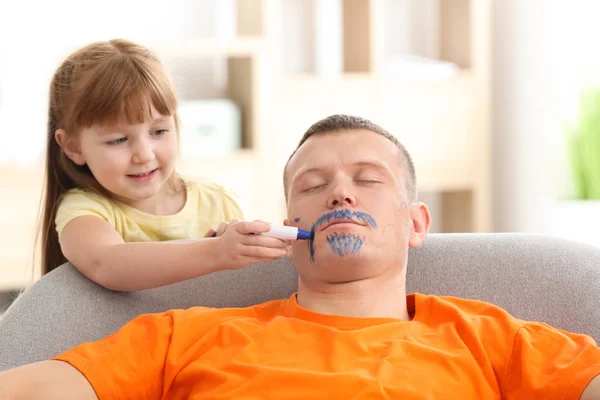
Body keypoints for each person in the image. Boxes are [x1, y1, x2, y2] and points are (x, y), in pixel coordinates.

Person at [3, 114, 599, 399]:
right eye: (313, 186)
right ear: (291, 229)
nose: (341, 192)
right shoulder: (183, 337)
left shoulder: (489, 339)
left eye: (367, 179)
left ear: (415, 224)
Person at [38, 39, 288, 291]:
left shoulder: (217, 201)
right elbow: (107, 263)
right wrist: (215, 252)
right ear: (73, 146)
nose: (144, 155)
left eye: (158, 132)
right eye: (119, 140)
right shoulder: (84, 210)